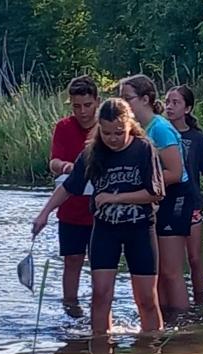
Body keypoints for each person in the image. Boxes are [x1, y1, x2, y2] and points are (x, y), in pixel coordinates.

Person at [33, 98, 166, 335]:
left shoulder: (143, 149)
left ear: (129, 126)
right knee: (101, 295)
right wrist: (44, 214)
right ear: (99, 129)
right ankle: (101, 353)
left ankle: (151, 351)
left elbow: (155, 193)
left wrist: (115, 198)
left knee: (146, 297)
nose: (113, 139)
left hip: (140, 229)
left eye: (119, 133)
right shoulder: (92, 152)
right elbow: (68, 187)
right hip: (105, 230)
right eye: (106, 133)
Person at [119, 74, 194, 313]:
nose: (122, 104)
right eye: (120, 98)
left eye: (127, 98)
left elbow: (175, 171)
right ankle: (162, 320)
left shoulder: (160, 128)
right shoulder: (138, 129)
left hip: (175, 197)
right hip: (155, 198)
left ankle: (183, 321)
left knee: (171, 271)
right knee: (157, 269)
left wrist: (138, 189)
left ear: (145, 99)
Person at [49, 75, 100, 316]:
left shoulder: (107, 127)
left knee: (101, 266)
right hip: (70, 207)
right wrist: (65, 166)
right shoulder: (64, 127)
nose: (82, 112)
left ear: (97, 102)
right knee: (72, 261)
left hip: (100, 211)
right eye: (76, 106)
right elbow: (53, 161)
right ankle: (71, 308)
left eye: (87, 105)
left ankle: (99, 309)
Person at [165, 85, 203, 304]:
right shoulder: (160, 133)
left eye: (176, 102)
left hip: (191, 203)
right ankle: (174, 302)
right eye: (168, 102)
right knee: (171, 261)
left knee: (195, 258)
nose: (169, 107)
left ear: (187, 108)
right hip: (166, 203)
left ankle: (200, 300)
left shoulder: (197, 139)